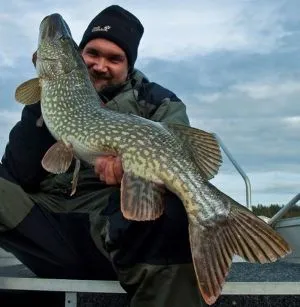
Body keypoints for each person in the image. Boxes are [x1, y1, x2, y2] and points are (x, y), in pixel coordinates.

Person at [0, 5, 207, 307]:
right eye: (92, 53)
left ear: (129, 65)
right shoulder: (53, 93)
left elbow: (183, 163)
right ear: (78, 56)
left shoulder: (158, 103)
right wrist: (43, 100)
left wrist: (134, 172)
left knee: (173, 211)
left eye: (114, 58)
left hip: (113, 230)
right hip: (45, 223)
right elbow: (19, 172)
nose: (100, 65)